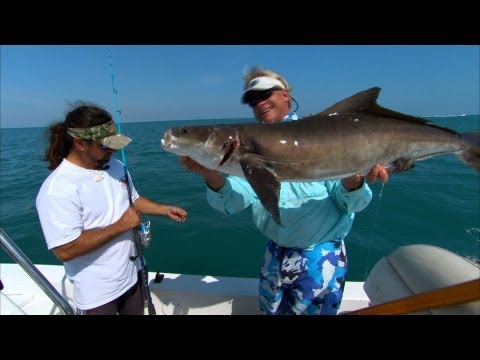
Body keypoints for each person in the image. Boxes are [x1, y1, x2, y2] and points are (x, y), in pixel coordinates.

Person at [179, 67, 389, 315]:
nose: (259, 102)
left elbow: (352, 204)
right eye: (252, 99)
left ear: (286, 95)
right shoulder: (244, 147)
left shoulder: (325, 135)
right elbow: (234, 203)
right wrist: (210, 173)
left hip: (319, 258)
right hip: (274, 257)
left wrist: (353, 182)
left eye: (266, 93)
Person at [36, 102, 188, 315]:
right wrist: (120, 226)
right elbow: (65, 250)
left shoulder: (116, 167)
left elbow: (132, 199)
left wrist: (163, 209)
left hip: (134, 277)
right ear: (80, 144)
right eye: (105, 145)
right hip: (98, 295)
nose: (113, 150)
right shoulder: (58, 188)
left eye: (114, 144)